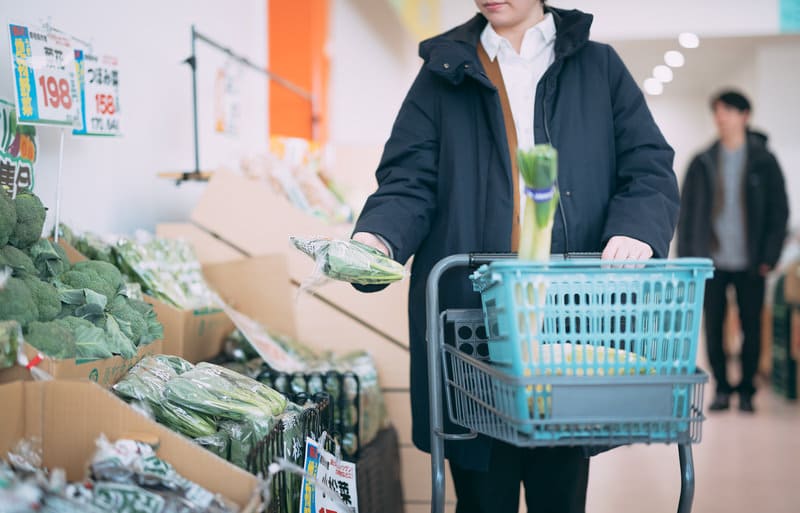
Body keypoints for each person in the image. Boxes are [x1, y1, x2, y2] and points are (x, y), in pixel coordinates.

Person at [353, 1, 679, 511]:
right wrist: (377, 239)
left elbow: (649, 167)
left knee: (561, 489)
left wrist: (637, 229)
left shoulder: (599, 68)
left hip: (571, 319)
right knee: (482, 490)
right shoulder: (445, 70)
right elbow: (408, 180)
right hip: (471, 318)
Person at [678, 90, 789, 414]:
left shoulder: (764, 161)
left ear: (745, 115)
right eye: (717, 111)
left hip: (752, 263)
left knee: (751, 326)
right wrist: (688, 258)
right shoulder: (702, 161)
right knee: (713, 328)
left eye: (727, 111)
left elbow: (778, 211)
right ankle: (723, 389)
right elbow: (687, 214)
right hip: (710, 261)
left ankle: (747, 390)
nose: (720, 117)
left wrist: (770, 256)